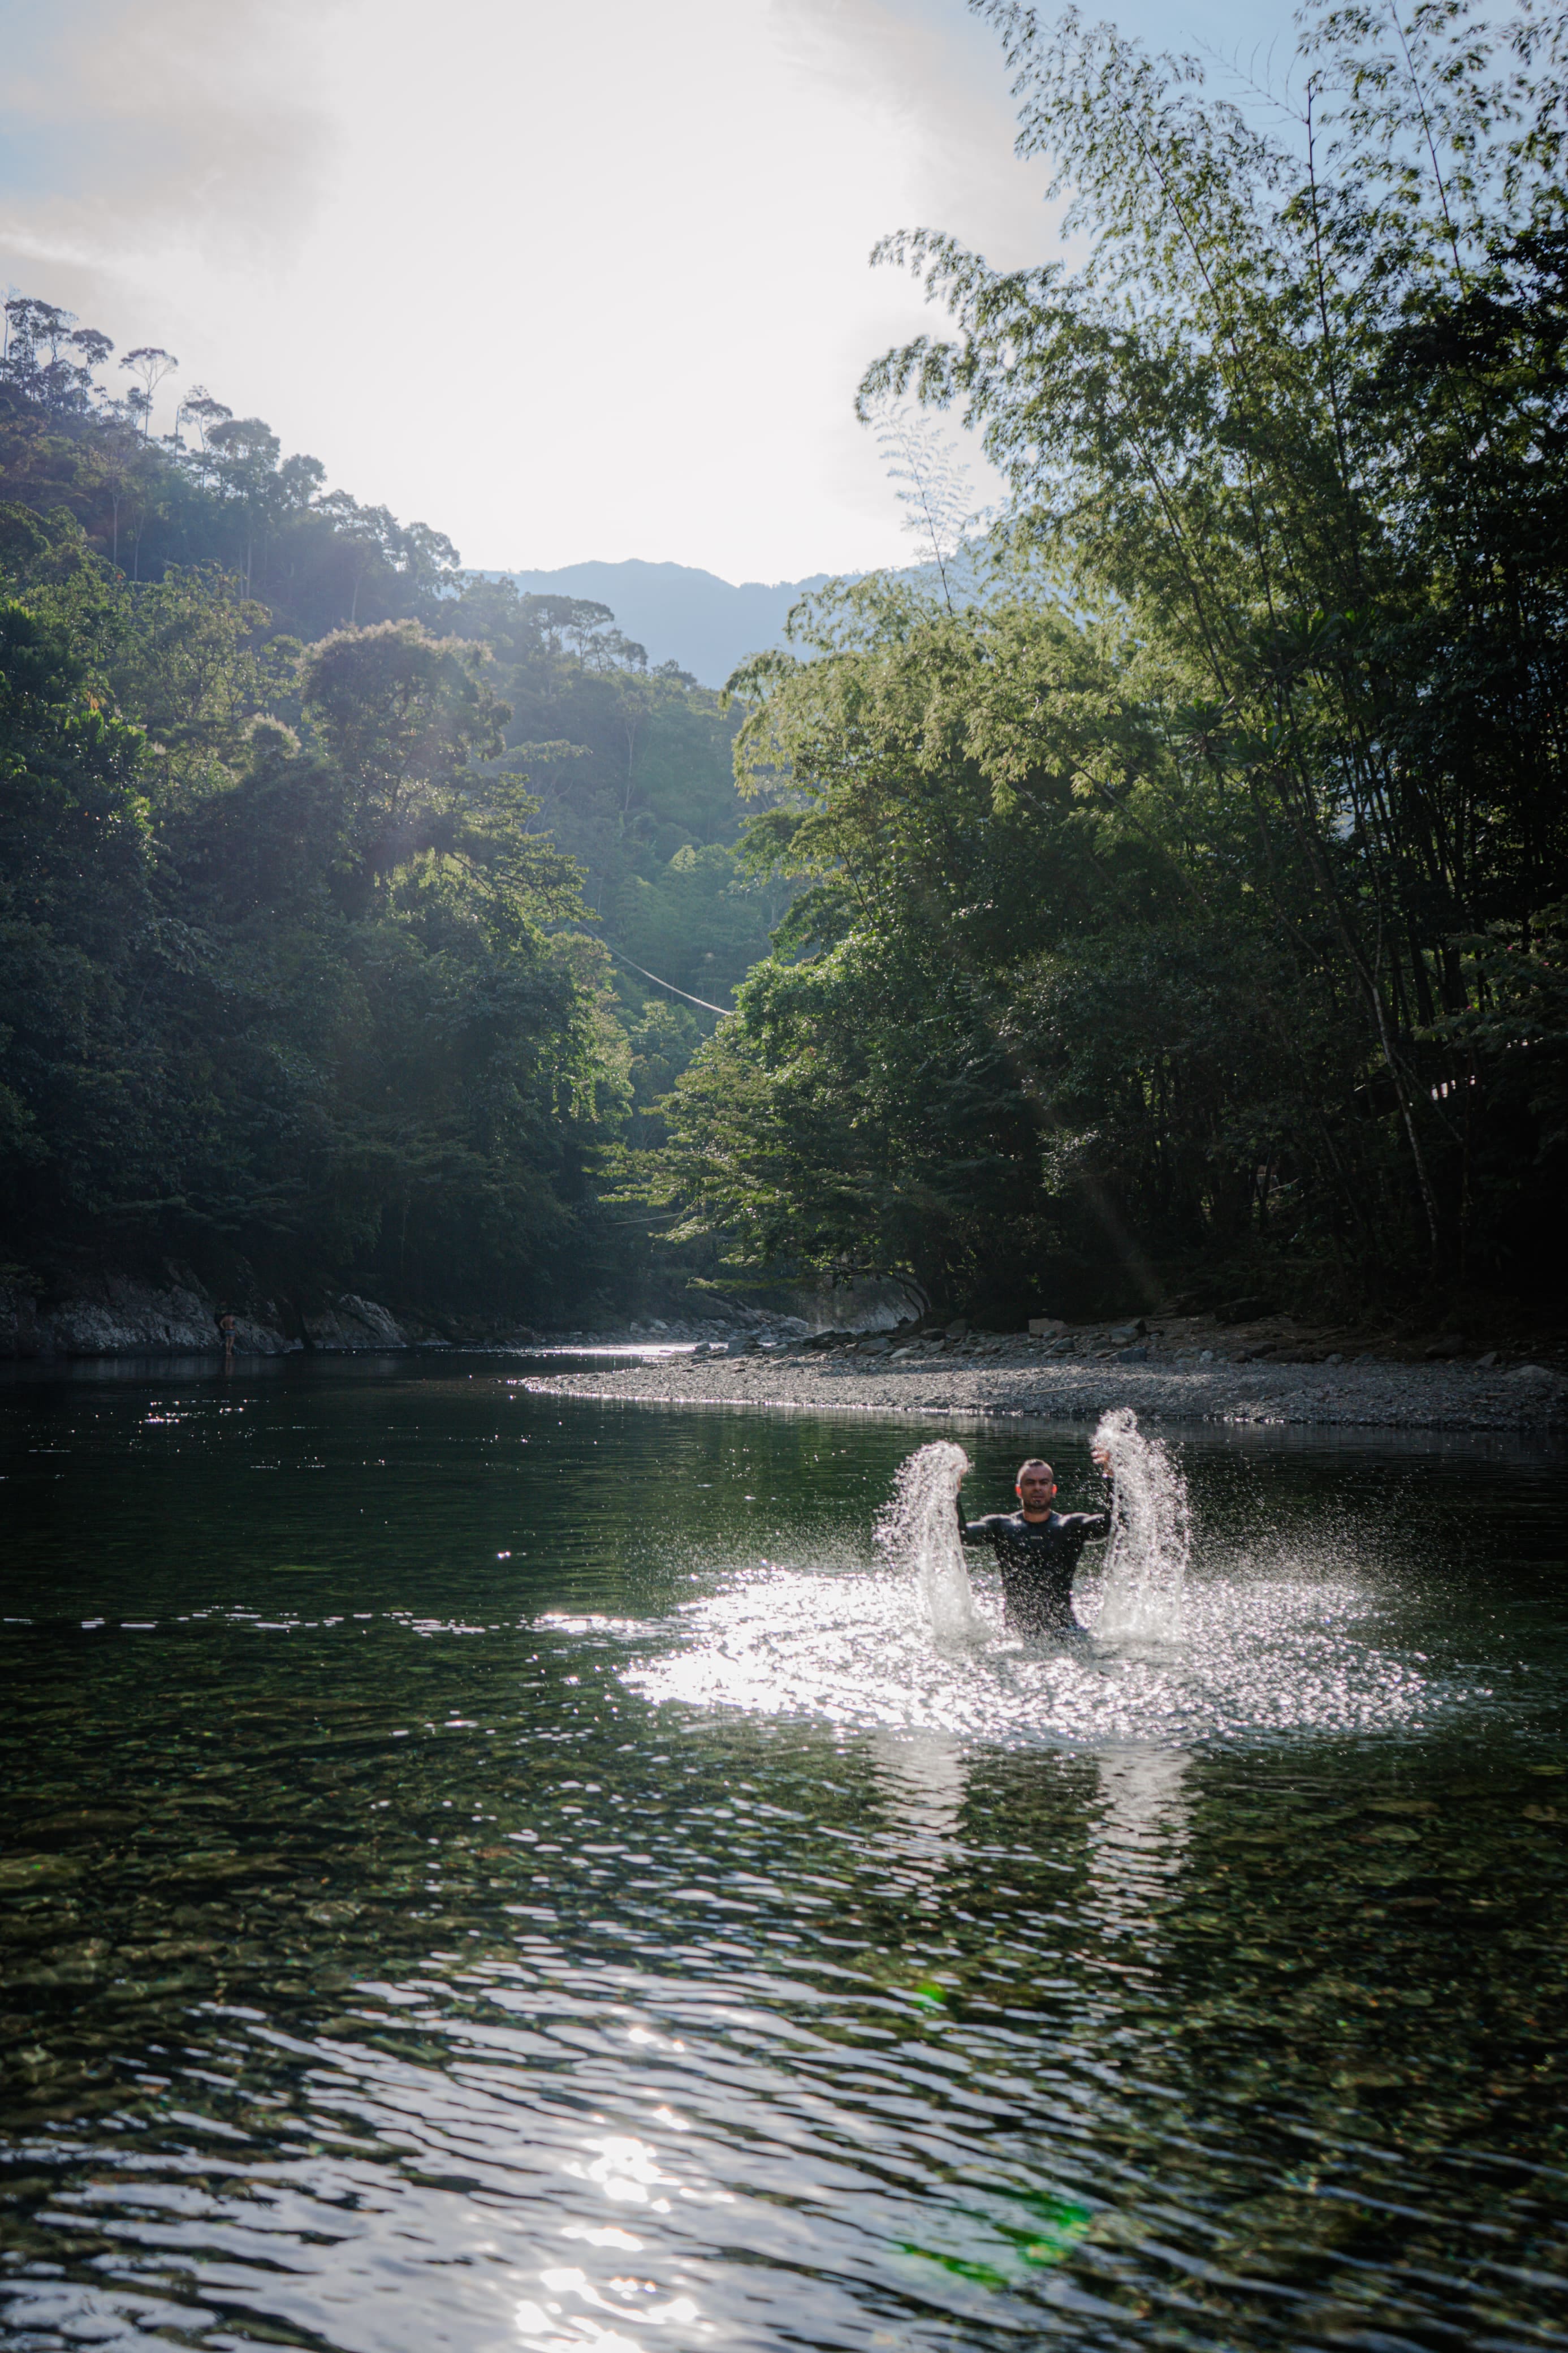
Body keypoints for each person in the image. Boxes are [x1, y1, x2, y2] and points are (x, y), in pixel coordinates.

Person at [956, 1451, 1114, 1636]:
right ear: (1019, 1490)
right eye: (1030, 1483)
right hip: (1016, 1633)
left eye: (1044, 1483)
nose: (1037, 1488)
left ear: (1053, 1490)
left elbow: (1111, 1525)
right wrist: (954, 1491)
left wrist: (1112, 1477)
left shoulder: (1071, 1527)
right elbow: (963, 1535)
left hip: (1065, 1631)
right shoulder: (1001, 1526)